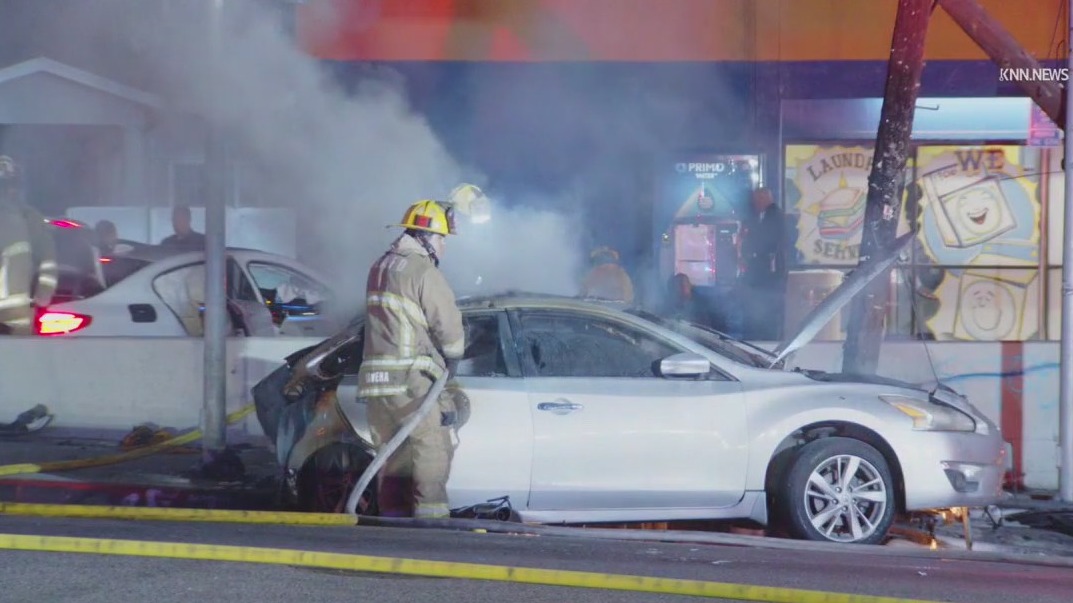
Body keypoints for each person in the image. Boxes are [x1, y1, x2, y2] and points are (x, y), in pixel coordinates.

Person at [357, 198, 465, 519]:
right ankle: (430, 537)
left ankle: (391, 529)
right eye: (441, 238)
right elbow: (448, 325)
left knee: (394, 462)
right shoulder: (422, 271)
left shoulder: (380, 267)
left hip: (377, 385)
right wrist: (456, 354)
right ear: (425, 236)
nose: (443, 247)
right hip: (411, 382)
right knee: (432, 454)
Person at [0, 155, 58, 335]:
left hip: (15, 315)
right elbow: (49, 261)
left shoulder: (30, 217)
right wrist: (42, 298)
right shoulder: (30, 217)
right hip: (17, 315)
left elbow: (48, 262)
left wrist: (43, 295)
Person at [740, 187, 787, 340]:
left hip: (768, 274)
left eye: (757, 200)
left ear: (764, 198)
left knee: (766, 309)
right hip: (764, 272)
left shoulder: (774, 217)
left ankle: (765, 336)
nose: (754, 204)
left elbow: (765, 242)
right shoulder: (763, 216)